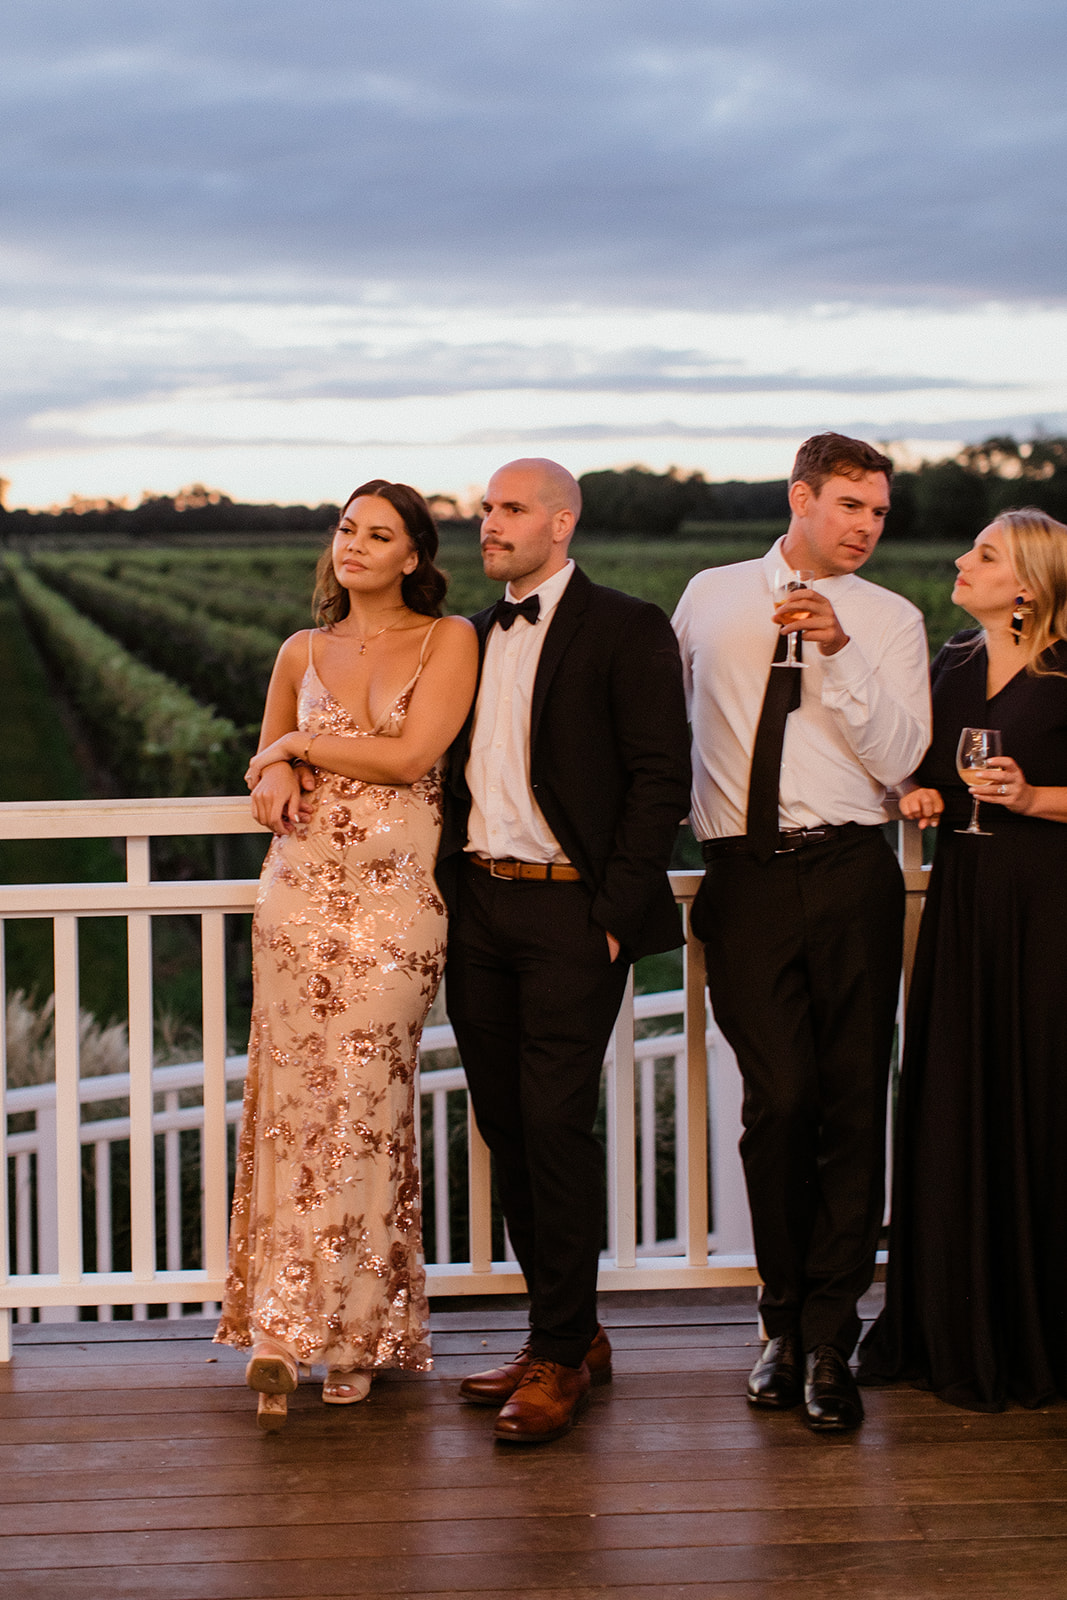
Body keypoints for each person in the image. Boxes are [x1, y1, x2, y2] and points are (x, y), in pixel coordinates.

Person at [672, 433, 931, 1433]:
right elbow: (662, 719)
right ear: (800, 498)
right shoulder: (710, 594)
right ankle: (775, 1317)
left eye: (877, 512)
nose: (866, 527)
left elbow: (901, 751)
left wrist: (838, 651)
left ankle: (827, 1337)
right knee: (775, 1101)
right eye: (850, 506)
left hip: (848, 868)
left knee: (850, 1099)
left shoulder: (888, 621)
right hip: (739, 875)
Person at [436, 457, 691, 1444]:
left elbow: (657, 777)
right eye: (485, 507)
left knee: (552, 1122)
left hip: (568, 917)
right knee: (502, 1122)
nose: (488, 522)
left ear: (561, 521)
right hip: (479, 909)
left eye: (508, 508)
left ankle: (556, 1356)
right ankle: (568, 1333)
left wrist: (615, 914)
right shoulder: (466, 635)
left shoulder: (625, 627)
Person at [215, 480, 478, 1431]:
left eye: (379, 535)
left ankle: (360, 1333)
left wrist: (296, 740)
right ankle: (281, 1329)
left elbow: (412, 758)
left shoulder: (449, 639)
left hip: (395, 911)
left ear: (413, 554)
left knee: (366, 1106)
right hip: (296, 898)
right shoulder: (301, 651)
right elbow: (262, 771)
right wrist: (278, 760)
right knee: (290, 1106)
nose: (354, 547)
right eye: (344, 530)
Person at [859, 509, 1067, 1411]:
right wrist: (914, 793)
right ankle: (956, 1319)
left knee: (1041, 1092)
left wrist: (1033, 794)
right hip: (966, 901)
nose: (959, 560)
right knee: (959, 1089)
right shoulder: (949, 663)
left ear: (1024, 584)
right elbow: (921, 765)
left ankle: (1041, 1330)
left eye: (981, 555)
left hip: (1050, 905)